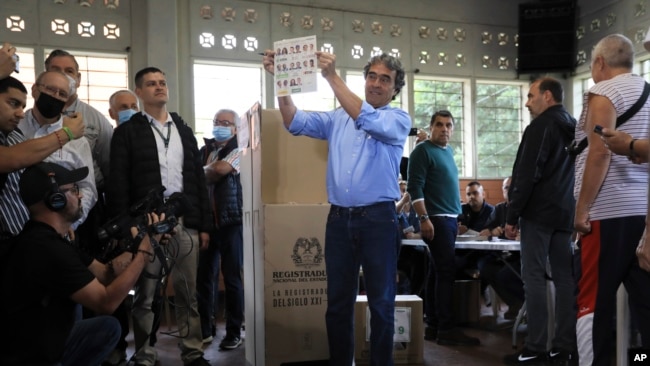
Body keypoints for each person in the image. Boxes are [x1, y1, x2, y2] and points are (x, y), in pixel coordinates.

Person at [262, 51, 410, 366]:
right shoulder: (337, 117)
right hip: (339, 219)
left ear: (395, 89)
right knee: (337, 304)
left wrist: (331, 76)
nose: (376, 83)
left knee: (381, 304)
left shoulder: (398, 119)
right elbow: (293, 121)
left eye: (385, 79)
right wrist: (283, 82)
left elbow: (366, 118)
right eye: (372, 76)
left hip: (378, 221)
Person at [0, 161, 159, 365]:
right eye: (74, 190)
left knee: (107, 328)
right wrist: (144, 254)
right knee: (105, 322)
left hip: (41, 338)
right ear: (55, 200)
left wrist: (141, 244)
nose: (81, 195)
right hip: (30, 355)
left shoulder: (49, 238)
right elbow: (106, 302)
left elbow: (105, 274)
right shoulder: (46, 249)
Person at [106, 66, 212, 366]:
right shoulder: (128, 132)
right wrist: (128, 227)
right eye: (151, 84)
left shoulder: (183, 130)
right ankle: (144, 354)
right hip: (146, 224)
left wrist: (204, 226)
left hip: (184, 222)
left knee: (187, 292)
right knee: (146, 294)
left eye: (163, 83)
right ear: (139, 92)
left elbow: (197, 181)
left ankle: (193, 352)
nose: (159, 88)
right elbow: (118, 185)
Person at [573, 34, 650, 366]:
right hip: (644, 215)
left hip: (608, 212)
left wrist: (581, 208)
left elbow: (598, 154)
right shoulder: (647, 91)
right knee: (646, 306)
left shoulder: (603, 91)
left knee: (593, 303)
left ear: (600, 62)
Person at [503, 77, 577, 365]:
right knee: (565, 279)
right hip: (565, 213)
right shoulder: (573, 126)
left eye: (531, 96)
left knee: (533, 277)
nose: (527, 102)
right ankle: (564, 348)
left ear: (547, 96)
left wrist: (512, 216)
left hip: (538, 213)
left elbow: (526, 174)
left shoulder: (540, 126)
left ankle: (535, 349)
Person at [407, 110, 480, 346]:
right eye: (439, 125)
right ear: (431, 127)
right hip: (435, 219)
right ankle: (447, 329)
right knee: (446, 272)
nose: (445, 129)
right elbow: (415, 188)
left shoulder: (448, 151)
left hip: (448, 218)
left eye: (449, 125)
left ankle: (435, 325)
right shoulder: (422, 151)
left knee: (436, 272)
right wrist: (424, 218)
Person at [0, 76, 82, 240]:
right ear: (36, 90)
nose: (20, 114)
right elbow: (11, 159)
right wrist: (67, 133)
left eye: (62, 94)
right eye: (13, 103)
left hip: (32, 234)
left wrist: (61, 217)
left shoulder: (14, 134)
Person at [17, 70, 97, 231]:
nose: (55, 96)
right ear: (35, 90)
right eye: (50, 90)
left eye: (62, 94)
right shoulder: (15, 126)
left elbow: (87, 187)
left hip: (59, 228)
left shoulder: (78, 139)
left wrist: (71, 223)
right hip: (15, 222)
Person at [197, 108, 244, 350]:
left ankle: (234, 332)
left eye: (227, 122)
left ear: (236, 128)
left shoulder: (240, 149)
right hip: (207, 225)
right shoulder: (205, 150)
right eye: (218, 121)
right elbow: (193, 183)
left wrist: (199, 173)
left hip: (231, 224)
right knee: (205, 278)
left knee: (232, 279)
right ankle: (206, 329)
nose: (221, 125)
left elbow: (220, 171)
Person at [101, 88, 141, 366]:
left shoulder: (147, 138)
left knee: (147, 290)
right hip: (115, 223)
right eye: (123, 106)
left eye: (132, 105)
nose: (129, 110)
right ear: (112, 113)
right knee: (115, 282)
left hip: (145, 222)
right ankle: (117, 345)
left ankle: (145, 348)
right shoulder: (109, 138)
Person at [476, 176, 524, 320]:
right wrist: (492, 231)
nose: (509, 191)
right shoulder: (499, 209)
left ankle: (524, 304)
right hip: (500, 255)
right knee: (484, 266)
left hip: (521, 256)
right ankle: (515, 303)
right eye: (506, 188)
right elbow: (483, 232)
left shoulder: (525, 208)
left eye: (512, 187)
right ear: (502, 191)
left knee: (505, 275)